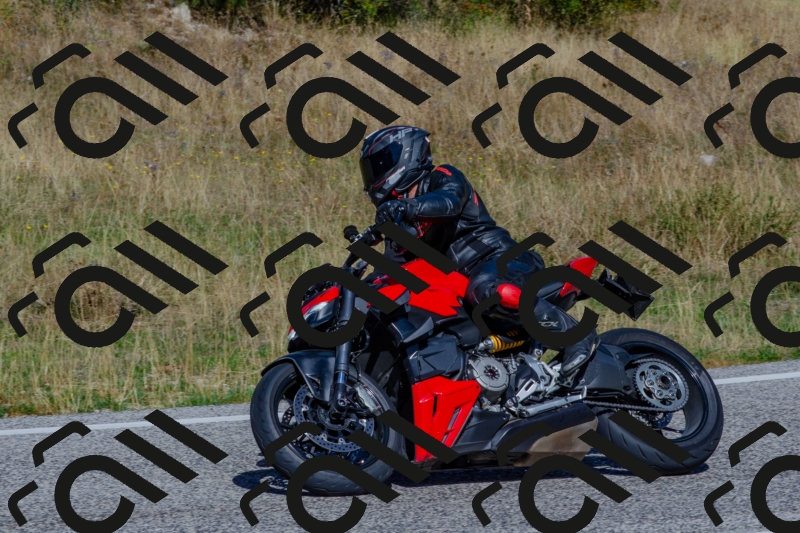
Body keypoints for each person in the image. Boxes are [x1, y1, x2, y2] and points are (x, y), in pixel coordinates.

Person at [358, 125, 597, 385]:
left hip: (502, 260)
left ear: (407, 154)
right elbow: (388, 274)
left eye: (379, 163)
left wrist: (406, 207)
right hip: (460, 288)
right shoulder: (401, 227)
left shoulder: (443, 177)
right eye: (369, 169)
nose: (373, 175)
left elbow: (448, 202)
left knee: (486, 290)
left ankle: (576, 335)